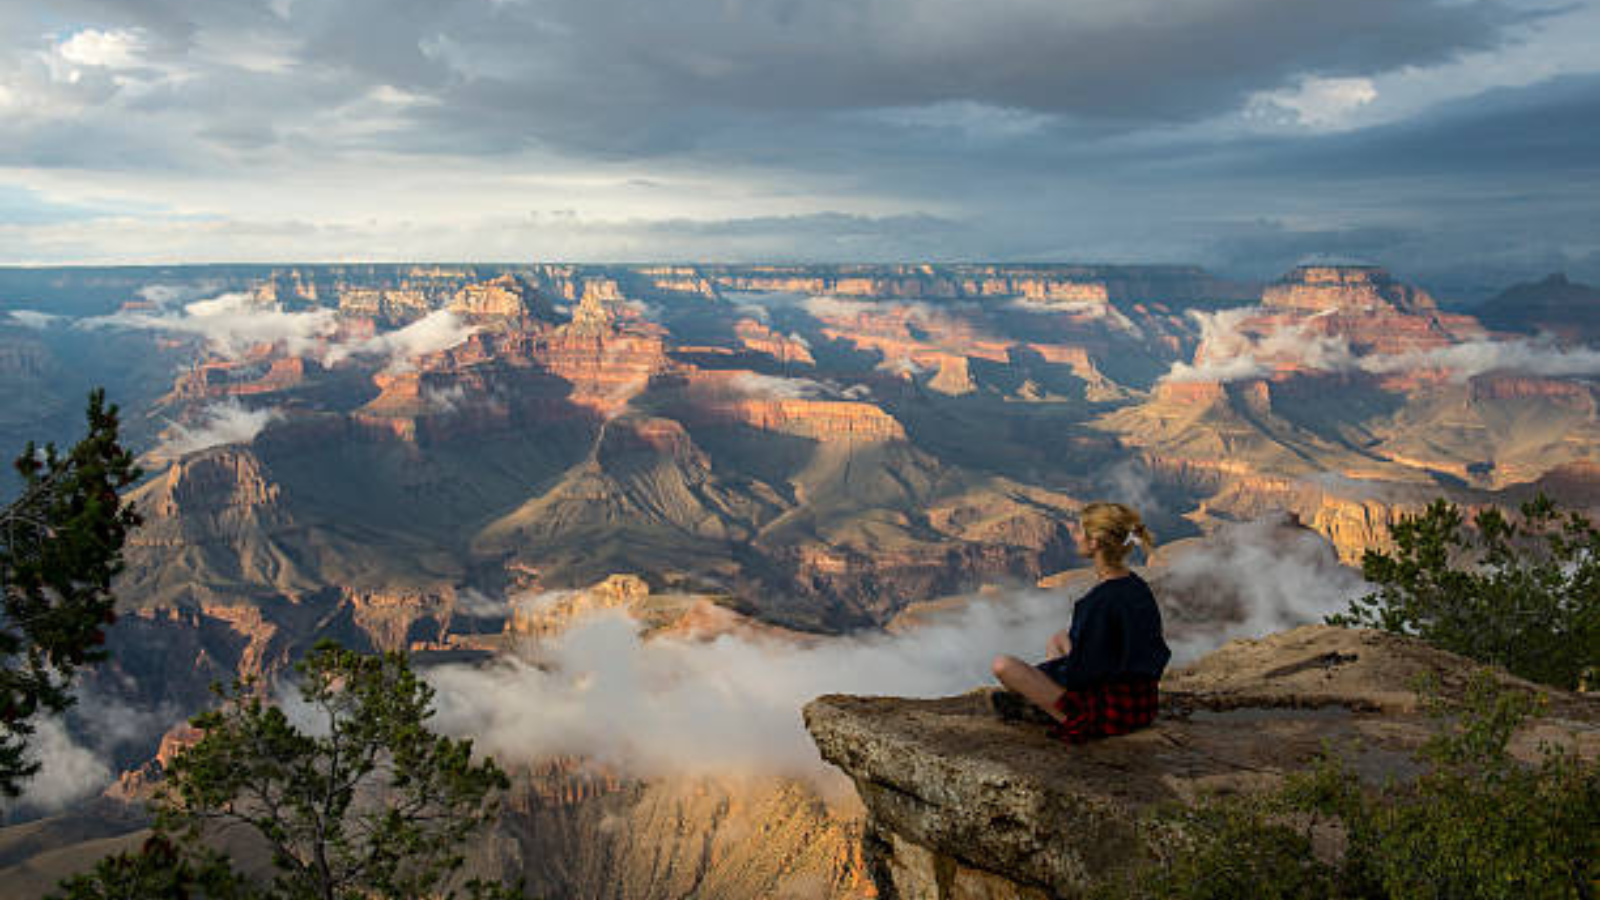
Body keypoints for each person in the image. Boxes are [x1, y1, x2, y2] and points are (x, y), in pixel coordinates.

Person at [991, 502, 1171, 744]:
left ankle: (1063, 715)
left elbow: (1085, 673)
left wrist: (1040, 676)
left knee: (1003, 666)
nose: (1074, 536)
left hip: (1112, 712)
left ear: (1095, 542)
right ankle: (1044, 703)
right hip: (1143, 702)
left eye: (1079, 530)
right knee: (1059, 639)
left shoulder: (1098, 601)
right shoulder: (1136, 586)